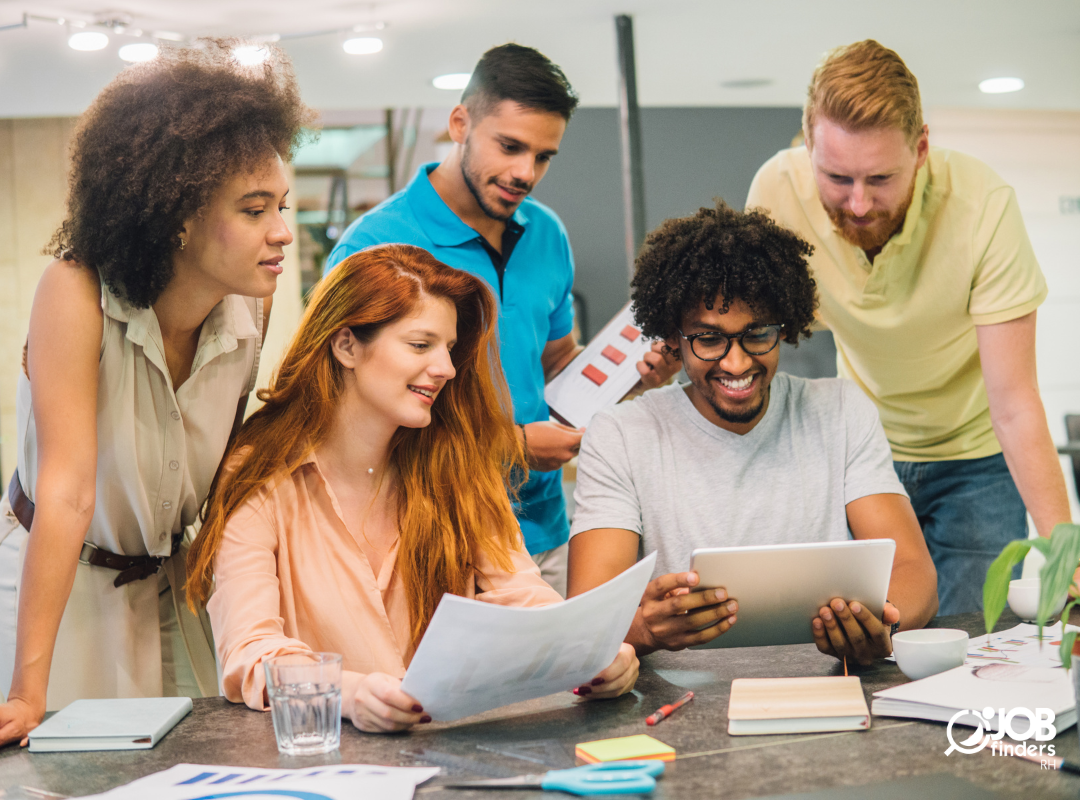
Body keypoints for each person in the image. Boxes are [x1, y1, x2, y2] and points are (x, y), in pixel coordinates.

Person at [0, 41, 313, 746]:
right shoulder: (76, 292)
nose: (282, 232)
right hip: (61, 594)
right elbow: (70, 492)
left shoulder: (250, 307)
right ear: (177, 213)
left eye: (282, 205)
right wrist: (26, 690)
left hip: (176, 587)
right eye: (255, 208)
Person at [187, 245, 638, 733]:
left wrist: (591, 653)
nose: (446, 367)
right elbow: (250, 652)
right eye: (421, 345)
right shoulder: (259, 472)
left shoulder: (457, 464)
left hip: (453, 760)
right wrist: (351, 692)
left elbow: (522, 594)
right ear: (346, 346)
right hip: (329, 763)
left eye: (448, 348)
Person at [325, 44, 678, 597]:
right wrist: (509, 446)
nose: (525, 173)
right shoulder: (374, 245)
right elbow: (348, 415)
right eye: (510, 147)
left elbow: (555, 363)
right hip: (425, 533)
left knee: (562, 685)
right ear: (460, 122)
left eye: (543, 156)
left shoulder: (547, 233)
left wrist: (632, 377)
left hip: (542, 530)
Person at [745, 40, 1071, 615]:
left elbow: (1015, 404)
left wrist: (1069, 557)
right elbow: (749, 338)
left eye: (881, 178)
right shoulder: (776, 191)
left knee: (977, 648)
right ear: (809, 144)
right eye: (837, 177)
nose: (860, 204)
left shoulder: (982, 206)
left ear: (921, 148)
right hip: (862, 456)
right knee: (865, 643)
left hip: (976, 460)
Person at [567, 202, 938, 665]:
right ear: (673, 335)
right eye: (708, 338)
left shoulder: (840, 411)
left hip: (827, 687)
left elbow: (913, 570)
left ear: (785, 326)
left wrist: (883, 623)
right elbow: (585, 615)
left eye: (757, 334)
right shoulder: (621, 434)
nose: (737, 363)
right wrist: (644, 629)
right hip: (680, 704)